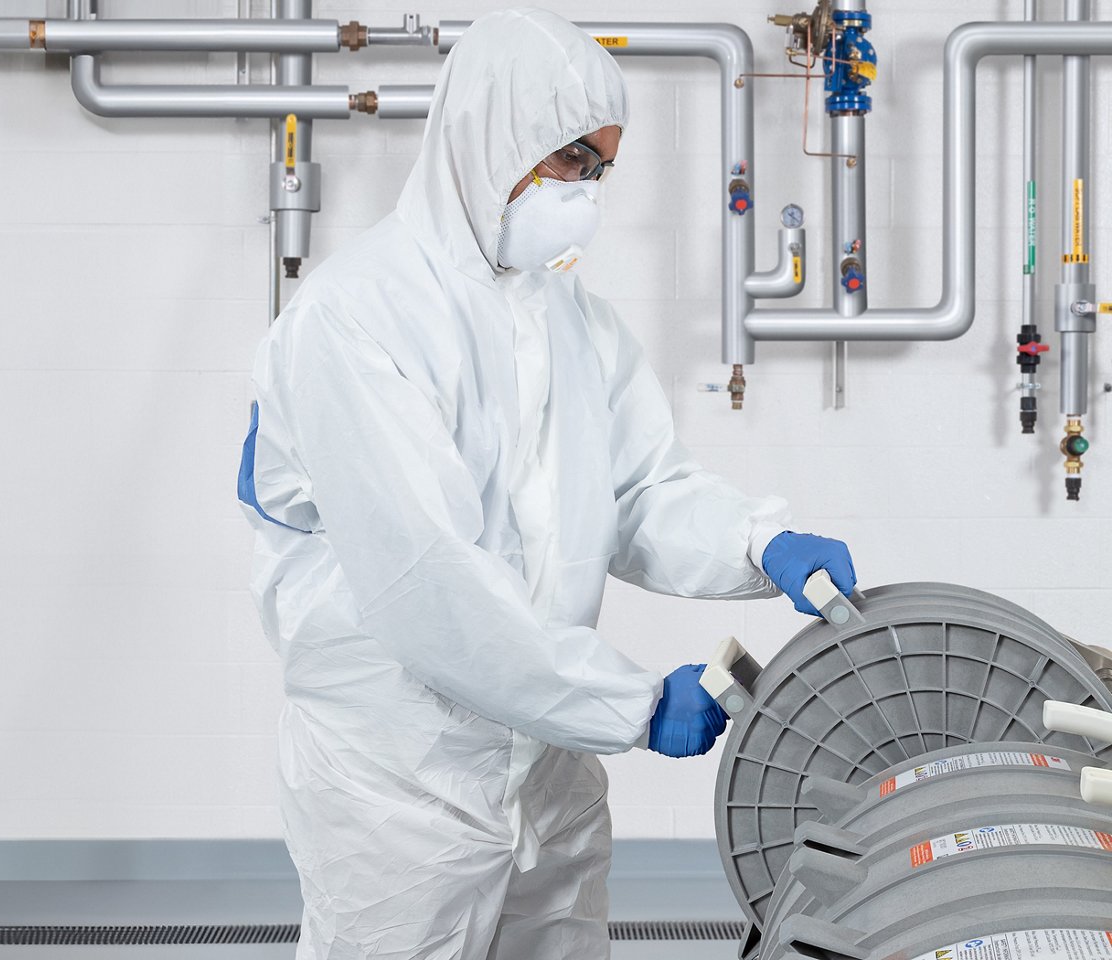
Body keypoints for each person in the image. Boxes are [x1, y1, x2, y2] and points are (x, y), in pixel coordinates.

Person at [237, 8, 856, 958]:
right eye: (572, 160)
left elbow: (639, 492)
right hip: (401, 774)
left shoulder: (569, 317)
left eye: (602, 168)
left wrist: (755, 542)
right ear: (497, 139)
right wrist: (634, 705)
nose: (589, 194)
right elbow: (427, 585)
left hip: (546, 762)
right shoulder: (356, 321)